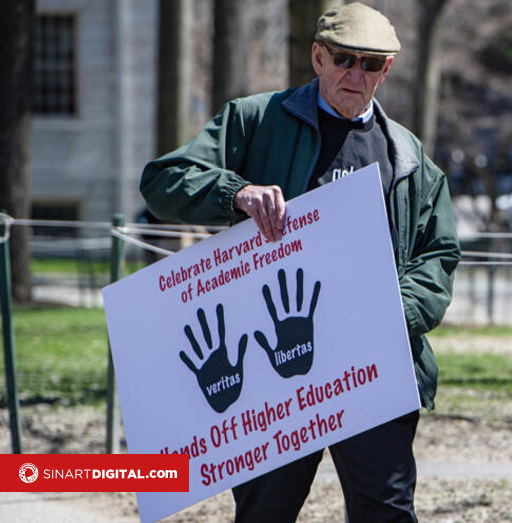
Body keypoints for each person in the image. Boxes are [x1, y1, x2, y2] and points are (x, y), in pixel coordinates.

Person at [140, 4, 460, 522]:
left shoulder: (408, 155)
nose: (356, 74)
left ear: (387, 70)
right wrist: (236, 192)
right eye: (344, 59)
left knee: (387, 511)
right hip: (275, 367)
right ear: (318, 56)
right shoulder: (255, 119)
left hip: (373, 366)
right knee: (266, 512)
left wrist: (393, 313)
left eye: (371, 64)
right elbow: (163, 181)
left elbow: (438, 253)